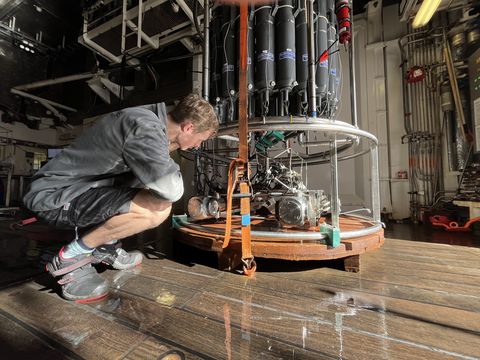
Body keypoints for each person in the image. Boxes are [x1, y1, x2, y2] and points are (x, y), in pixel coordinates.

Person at [23, 94, 219, 302]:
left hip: (75, 192)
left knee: (146, 185)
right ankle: (71, 257)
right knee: (157, 207)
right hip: (54, 197)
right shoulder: (145, 128)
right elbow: (171, 189)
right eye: (201, 139)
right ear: (188, 127)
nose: (198, 145)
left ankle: (105, 245)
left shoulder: (150, 123)